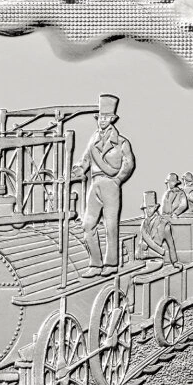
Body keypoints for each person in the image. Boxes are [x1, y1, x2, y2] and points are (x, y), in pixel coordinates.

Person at [73, 93, 135, 277]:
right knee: (88, 225)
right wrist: (78, 169)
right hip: (95, 184)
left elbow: (128, 164)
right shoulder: (93, 140)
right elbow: (85, 159)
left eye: (106, 117)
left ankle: (111, 264)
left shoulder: (122, 142)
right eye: (100, 117)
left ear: (112, 119)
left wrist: (118, 180)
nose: (102, 120)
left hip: (110, 185)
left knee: (110, 226)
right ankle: (95, 264)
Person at [136, 191, 182, 268]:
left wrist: (175, 262)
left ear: (155, 207)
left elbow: (171, 245)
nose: (148, 210)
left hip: (157, 259)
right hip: (142, 259)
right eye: (145, 208)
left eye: (150, 207)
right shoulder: (143, 223)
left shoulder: (164, 224)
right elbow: (141, 241)